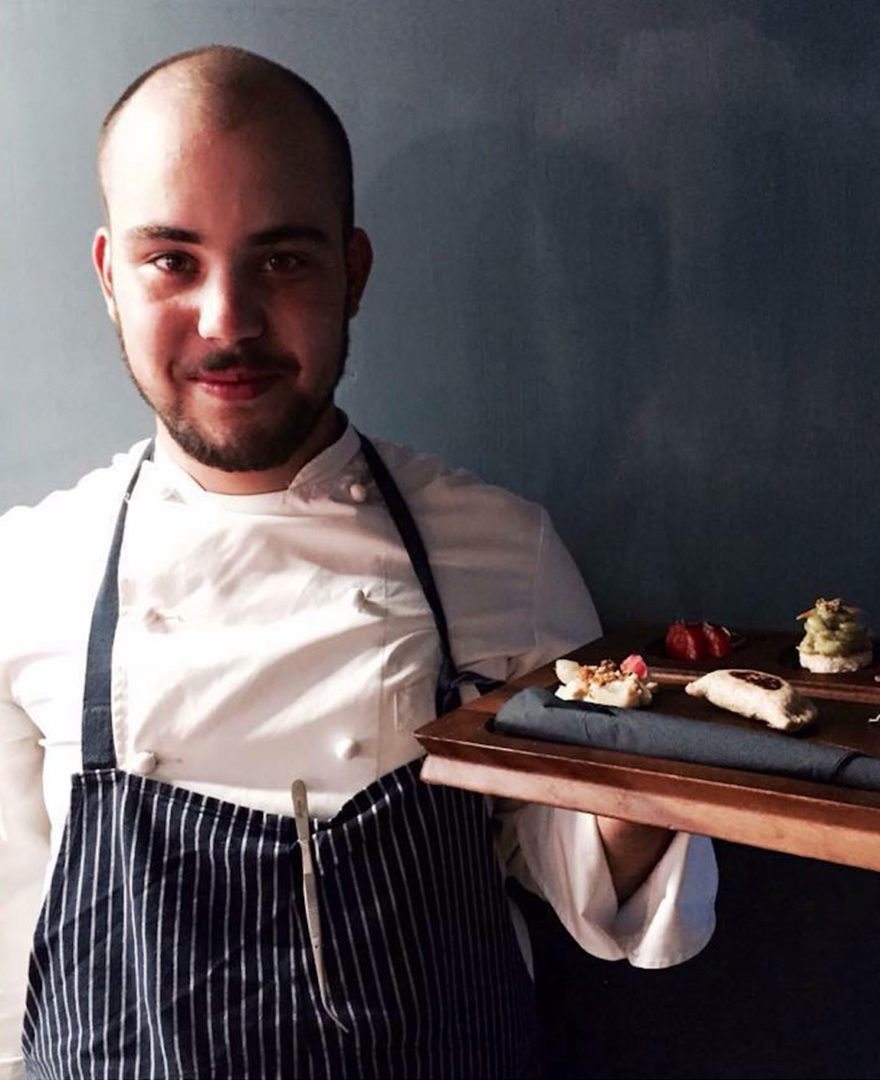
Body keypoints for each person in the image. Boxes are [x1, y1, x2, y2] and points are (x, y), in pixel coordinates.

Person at [0, 45, 717, 1080]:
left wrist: (665, 748)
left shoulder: (500, 552)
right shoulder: (27, 572)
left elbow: (607, 908)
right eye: (175, 261)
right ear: (112, 276)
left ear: (354, 270)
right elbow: (14, 979)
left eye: (282, 259)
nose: (229, 321)